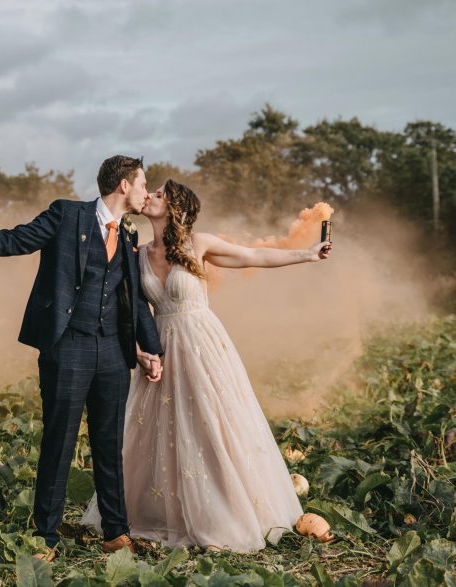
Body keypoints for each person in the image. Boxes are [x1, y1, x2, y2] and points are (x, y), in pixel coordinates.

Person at [0, 155, 163, 561]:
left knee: (110, 444)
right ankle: (46, 537)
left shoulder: (128, 234)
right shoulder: (67, 215)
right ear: (124, 185)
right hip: (66, 346)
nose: (146, 191)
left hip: (112, 352)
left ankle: (116, 531)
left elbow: (134, 299)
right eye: (143, 183)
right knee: (59, 441)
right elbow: (15, 239)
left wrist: (151, 347)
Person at [82, 179, 332, 552]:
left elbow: (253, 256)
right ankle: (160, 512)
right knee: (159, 428)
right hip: (161, 348)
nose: (149, 195)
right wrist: (138, 349)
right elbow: (129, 310)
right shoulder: (137, 253)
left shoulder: (198, 244)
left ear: (175, 207)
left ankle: (223, 514)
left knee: (212, 423)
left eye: (159, 194)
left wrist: (307, 254)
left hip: (202, 343)